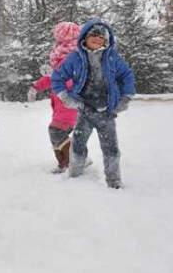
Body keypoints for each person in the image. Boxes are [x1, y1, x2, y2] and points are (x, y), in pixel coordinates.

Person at [51, 18, 135, 189]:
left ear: (107, 40)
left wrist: (126, 97)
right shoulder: (76, 57)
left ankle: (114, 181)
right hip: (84, 110)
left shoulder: (112, 58)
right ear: (84, 38)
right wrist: (66, 97)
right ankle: (75, 175)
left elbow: (127, 76)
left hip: (106, 112)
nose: (97, 40)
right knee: (78, 144)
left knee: (111, 148)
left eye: (101, 37)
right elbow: (58, 77)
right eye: (93, 36)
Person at [27, 22, 81, 173]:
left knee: (56, 132)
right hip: (65, 105)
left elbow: (71, 80)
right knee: (56, 132)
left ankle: (76, 159)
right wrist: (36, 86)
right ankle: (65, 163)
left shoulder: (72, 57)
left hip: (68, 104)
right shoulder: (63, 56)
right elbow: (52, 78)